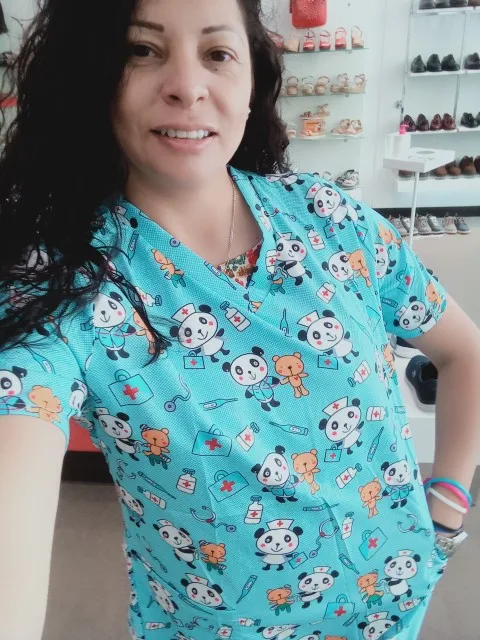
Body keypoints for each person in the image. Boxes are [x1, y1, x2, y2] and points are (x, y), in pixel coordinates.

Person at [0, 1, 479, 639]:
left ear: (253, 80)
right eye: (142, 50)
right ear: (91, 73)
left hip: (396, 608)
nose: (187, 85)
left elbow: (465, 352)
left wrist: (448, 506)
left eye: (217, 53)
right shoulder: (68, 291)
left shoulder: (329, 219)